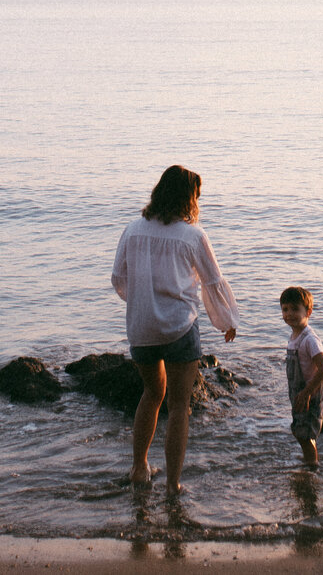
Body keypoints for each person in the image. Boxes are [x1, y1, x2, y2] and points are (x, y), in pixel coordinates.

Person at [112, 165, 239, 491]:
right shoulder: (193, 235)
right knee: (179, 406)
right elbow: (213, 282)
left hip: (142, 329)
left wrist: (143, 303)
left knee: (151, 395)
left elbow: (118, 279)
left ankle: (139, 469)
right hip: (180, 329)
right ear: (188, 198)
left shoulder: (132, 230)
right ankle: (172, 485)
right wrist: (227, 321)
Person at [280, 285, 323, 467]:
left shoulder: (309, 339)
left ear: (308, 312)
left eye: (295, 309)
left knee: (305, 433)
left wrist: (308, 392)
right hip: (299, 393)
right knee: (300, 431)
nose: (289, 314)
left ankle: (312, 467)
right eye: (285, 309)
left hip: (311, 394)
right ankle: (310, 460)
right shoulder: (294, 336)